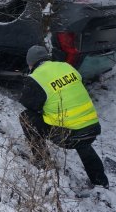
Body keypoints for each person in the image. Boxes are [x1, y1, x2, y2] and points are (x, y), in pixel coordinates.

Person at [14, 45, 109, 188]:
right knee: (84, 145)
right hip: (92, 127)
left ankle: (42, 161)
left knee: (26, 117)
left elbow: (29, 104)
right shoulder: (67, 67)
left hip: (67, 135)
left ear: (30, 63)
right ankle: (101, 183)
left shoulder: (36, 77)